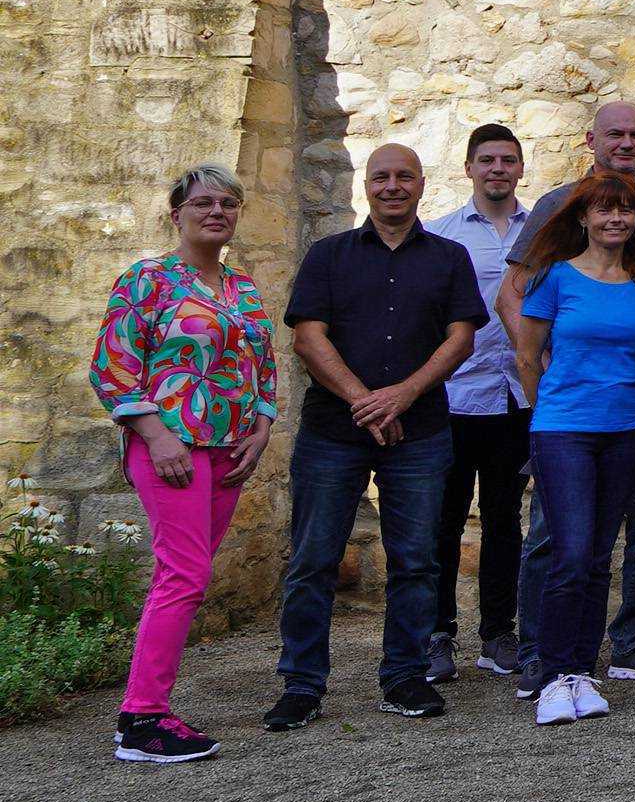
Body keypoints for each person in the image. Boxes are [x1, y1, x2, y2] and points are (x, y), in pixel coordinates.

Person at [268, 144, 486, 730]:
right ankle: (302, 685)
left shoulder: (449, 258)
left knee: (416, 560)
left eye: (404, 176)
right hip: (331, 432)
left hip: (420, 432)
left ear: (421, 184)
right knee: (313, 559)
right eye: (381, 177)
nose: (392, 186)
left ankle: (405, 676)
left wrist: (402, 396)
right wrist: (366, 401)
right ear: (367, 185)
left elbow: (461, 338)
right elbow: (308, 338)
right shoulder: (328, 255)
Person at [499, 100, 635, 692]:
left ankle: (631, 641)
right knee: (556, 531)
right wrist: (549, 370)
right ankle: (539, 648)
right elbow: (514, 292)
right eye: (615, 133)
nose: (626, 143)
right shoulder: (559, 205)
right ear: (592, 140)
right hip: (572, 398)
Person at [93, 163, 276, 764]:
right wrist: (156, 436)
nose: (216, 211)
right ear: (177, 214)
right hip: (171, 452)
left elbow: (262, 366)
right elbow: (112, 366)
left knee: (186, 576)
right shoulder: (147, 279)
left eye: (228, 203)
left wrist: (262, 427)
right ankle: (142, 720)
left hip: (229, 452)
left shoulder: (241, 288)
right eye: (202, 202)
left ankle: (146, 712)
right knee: (184, 576)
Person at [508, 172, 635, 727]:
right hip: (564, 431)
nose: (615, 219)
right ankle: (554, 676)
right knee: (571, 553)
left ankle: (581, 672)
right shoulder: (554, 277)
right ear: (583, 218)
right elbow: (527, 355)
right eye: (604, 210)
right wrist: (546, 413)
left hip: (627, 429)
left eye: (625, 211)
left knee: (599, 556)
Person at [423, 122, 531, 685]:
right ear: (468, 168)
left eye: (507, 160)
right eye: (487, 160)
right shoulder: (439, 234)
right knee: (443, 521)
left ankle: (497, 633)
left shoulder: (542, 233)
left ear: (520, 169)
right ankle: (438, 633)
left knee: (504, 520)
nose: (497, 169)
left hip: (516, 398)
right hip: (455, 396)